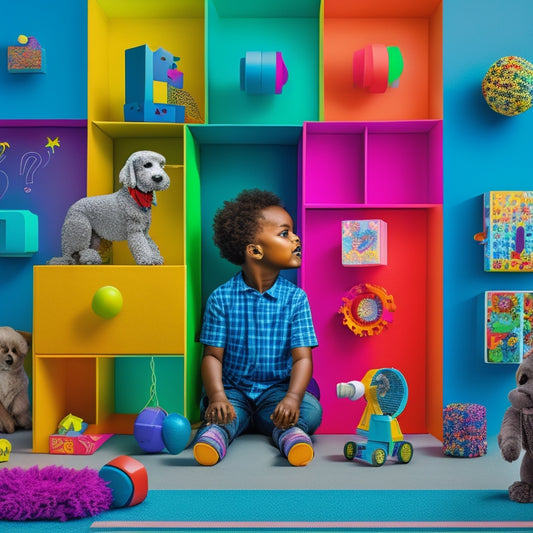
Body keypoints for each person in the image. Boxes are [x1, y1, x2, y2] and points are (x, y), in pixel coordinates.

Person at [193, 189, 322, 467]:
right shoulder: (221, 298)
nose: (296, 238)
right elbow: (212, 356)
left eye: (293, 233)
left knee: (310, 411)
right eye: (285, 233)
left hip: (276, 390)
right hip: (234, 390)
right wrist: (217, 396)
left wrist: (292, 397)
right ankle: (215, 434)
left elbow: (302, 358)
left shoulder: (296, 299)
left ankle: (288, 433)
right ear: (255, 250)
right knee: (221, 412)